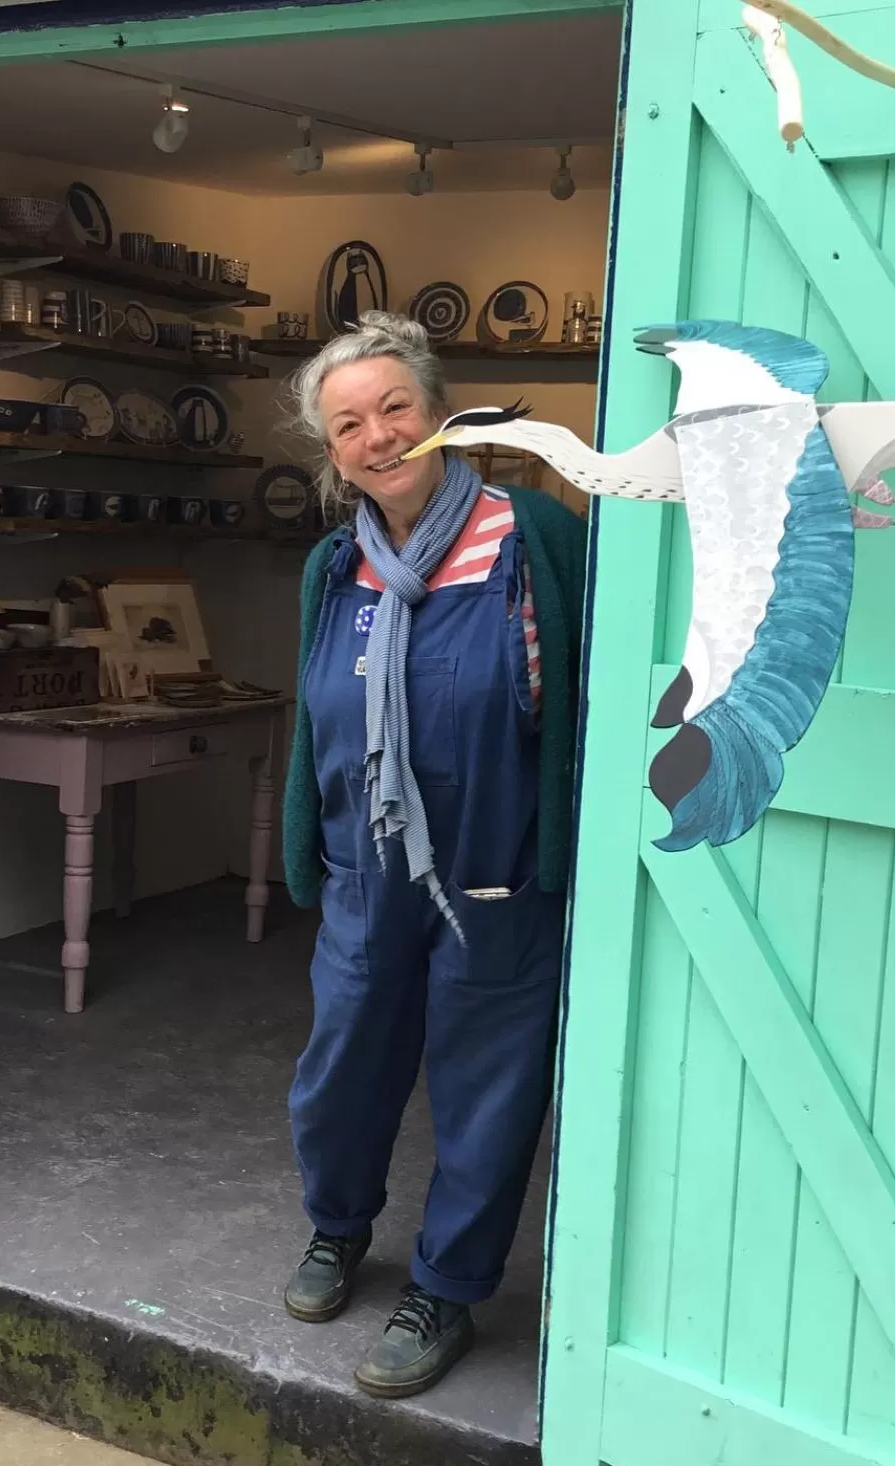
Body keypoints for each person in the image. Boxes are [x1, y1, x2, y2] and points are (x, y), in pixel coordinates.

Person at [276, 311, 587, 1399]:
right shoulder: (334, 565)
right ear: (332, 451)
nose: (376, 437)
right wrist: (305, 852)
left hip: (492, 869)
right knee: (340, 1069)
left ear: (437, 410)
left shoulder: (534, 537)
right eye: (348, 424)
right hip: (366, 867)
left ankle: (447, 1288)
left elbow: (584, 706)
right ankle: (337, 1228)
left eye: (393, 407)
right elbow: (313, 719)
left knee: (485, 1088)